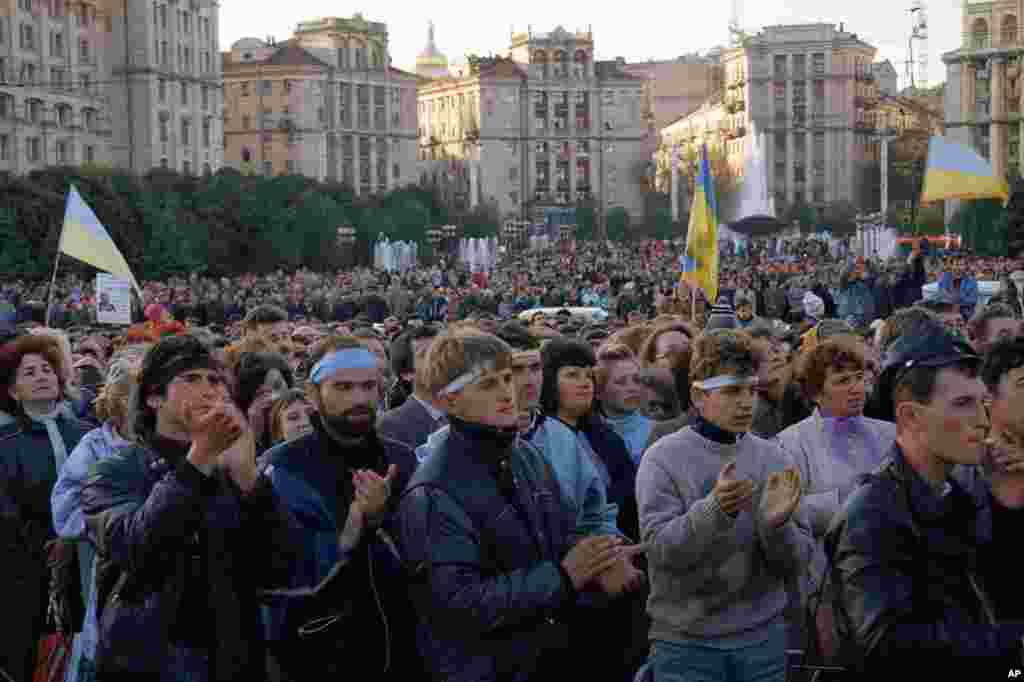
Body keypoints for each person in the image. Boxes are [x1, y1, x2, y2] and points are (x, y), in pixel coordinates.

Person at [396, 330, 644, 682]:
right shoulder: (434, 490)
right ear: (449, 401)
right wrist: (564, 576)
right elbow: (456, 604)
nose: (505, 393)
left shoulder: (524, 454)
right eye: (486, 385)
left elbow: (558, 536)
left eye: (506, 378)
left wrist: (601, 559)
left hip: (549, 657)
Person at [80, 334, 299, 679]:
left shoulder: (232, 470)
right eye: (191, 379)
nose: (208, 389)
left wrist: (249, 480)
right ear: (154, 397)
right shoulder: (115, 470)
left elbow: (283, 565)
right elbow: (137, 548)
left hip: (234, 660)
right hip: (151, 665)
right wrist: (198, 459)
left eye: (214, 380)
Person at [824, 320, 1024, 674]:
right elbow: (887, 647)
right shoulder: (872, 514)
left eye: (983, 402)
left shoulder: (957, 493)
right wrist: (1013, 642)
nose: (982, 420)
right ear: (911, 416)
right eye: (963, 403)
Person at [637, 329, 812, 682]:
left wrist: (776, 527)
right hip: (687, 645)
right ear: (699, 396)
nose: (747, 402)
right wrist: (713, 511)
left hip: (762, 640)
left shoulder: (775, 458)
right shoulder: (663, 458)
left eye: (752, 390)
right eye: (732, 391)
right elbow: (658, 552)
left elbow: (796, 563)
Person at [261, 338, 420, 680]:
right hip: (319, 657)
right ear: (314, 394)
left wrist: (388, 520)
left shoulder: (403, 458)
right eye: (343, 387)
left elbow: (431, 561)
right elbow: (279, 579)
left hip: (405, 651)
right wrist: (354, 528)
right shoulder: (284, 468)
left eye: (367, 386)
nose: (359, 398)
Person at [0, 334, 95, 682]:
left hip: (91, 559)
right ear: (13, 391)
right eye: (29, 373)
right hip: (29, 572)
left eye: (46, 370)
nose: (42, 376)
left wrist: (76, 539)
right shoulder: (5, 446)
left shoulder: (89, 434)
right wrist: (51, 544)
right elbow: (6, 514)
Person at [595, 344, 652, 465]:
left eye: (637, 380)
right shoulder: (587, 437)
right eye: (621, 382)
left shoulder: (657, 431)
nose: (632, 388)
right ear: (599, 391)